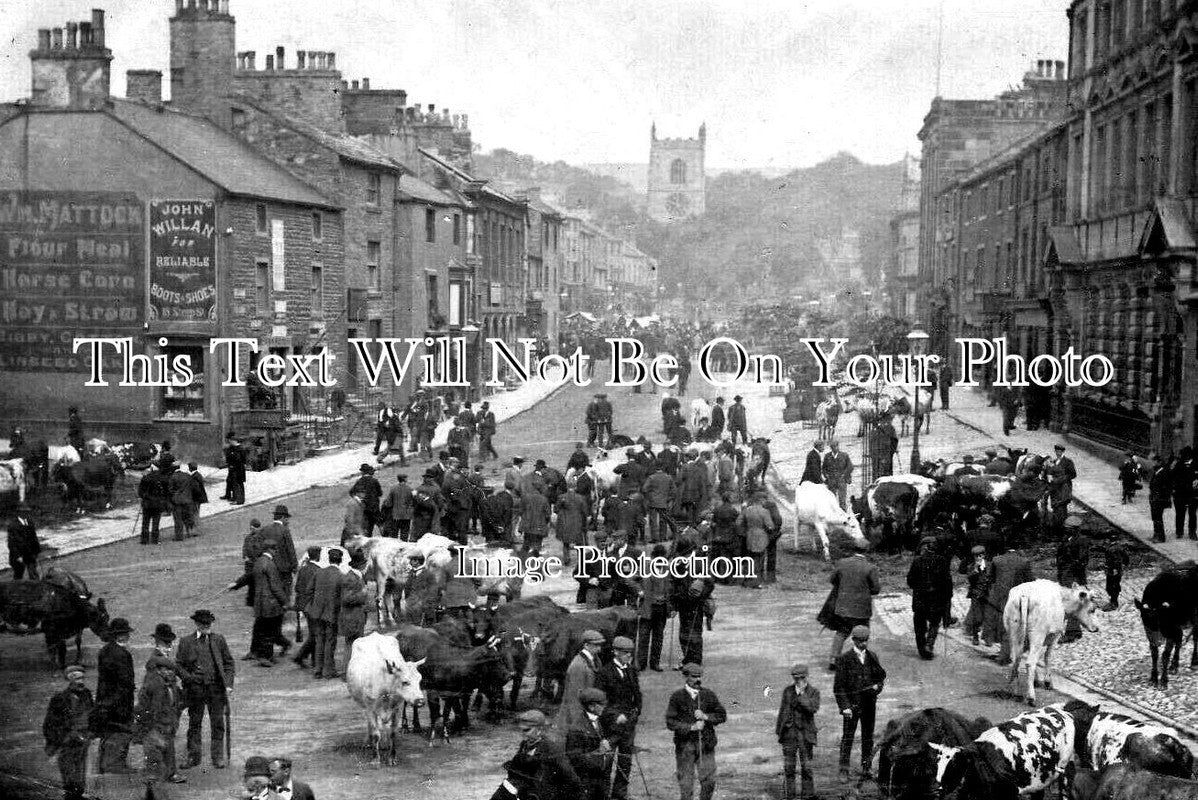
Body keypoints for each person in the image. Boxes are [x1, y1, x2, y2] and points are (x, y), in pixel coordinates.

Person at [175, 609, 234, 768]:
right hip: (196, 690)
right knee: (195, 723)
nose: (207, 626)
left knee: (217, 723)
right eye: (204, 624)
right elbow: (178, 665)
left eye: (209, 623)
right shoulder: (186, 642)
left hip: (216, 689)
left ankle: (218, 757)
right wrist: (188, 678)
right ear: (197, 624)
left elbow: (229, 663)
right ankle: (193, 756)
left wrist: (228, 684)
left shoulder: (219, 640)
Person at [665, 663, 727, 800]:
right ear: (686, 677)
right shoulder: (677, 697)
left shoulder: (708, 695)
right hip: (685, 747)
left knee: (709, 781)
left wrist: (706, 717)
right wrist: (690, 727)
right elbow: (670, 722)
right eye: (694, 677)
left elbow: (722, 716)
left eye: (699, 676)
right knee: (686, 785)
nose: (698, 680)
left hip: (706, 745)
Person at [833, 625, 885, 783]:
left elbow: (880, 678)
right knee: (848, 738)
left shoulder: (872, 657)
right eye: (860, 641)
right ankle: (843, 770)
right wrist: (845, 707)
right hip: (852, 706)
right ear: (854, 640)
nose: (863, 644)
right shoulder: (844, 659)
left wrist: (877, 688)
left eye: (866, 640)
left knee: (868, 737)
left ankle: (866, 767)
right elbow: (839, 687)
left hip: (869, 705)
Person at [495, 709, 583, 800]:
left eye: (527, 730)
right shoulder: (525, 745)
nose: (522, 734)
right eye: (521, 730)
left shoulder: (551, 748)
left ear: (539, 729)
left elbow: (571, 779)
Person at [595, 637, 641, 800]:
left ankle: (620, 793)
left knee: (626, 761)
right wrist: (615, 716)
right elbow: (600, 702)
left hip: (628, 726)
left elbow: (637, 694)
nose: (629, 656)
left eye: (630, 653)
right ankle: (603, 795)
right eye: (625, 653)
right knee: (607, 761)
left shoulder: (631, 670)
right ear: (615, 652)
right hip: (611, 726)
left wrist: (636, 713)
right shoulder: (604, 673)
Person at [134, 653, 187, 792]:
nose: (170, 673)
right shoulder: (153, 685)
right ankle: (152, 776)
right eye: (167, 670)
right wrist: (147, 725)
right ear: (159, 670)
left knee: (169, 749)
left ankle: (171, 773)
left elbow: (176, 702)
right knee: (152, 751)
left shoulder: (172, 684)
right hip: (154, 724)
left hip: (168, 722)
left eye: (172, 670)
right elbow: (146, 707)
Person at [825, 543, 881, 670]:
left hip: (843, 607)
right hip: (862, 609)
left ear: (853, 550)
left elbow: (832, 580)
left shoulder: (842, 563)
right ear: (867, 551)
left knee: (841, 633)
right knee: (862, 634)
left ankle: (834, 659)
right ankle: (860, 660)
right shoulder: (870, 567)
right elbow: (876, 589)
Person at [44, 663, 94, 800]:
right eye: (77, 679)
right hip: (67, 743)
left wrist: (90, 733)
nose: (81, 682)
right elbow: (49, 724)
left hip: (83, 741)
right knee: (69, 777)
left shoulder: (86, 695)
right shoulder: (59, 699)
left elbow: (92, 715)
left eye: (82, 678)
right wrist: (63, 738)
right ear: (70, 680)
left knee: (80, 774)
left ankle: (77, 794)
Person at [94, 618, 136, 774]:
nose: (126, 637)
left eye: (125, 633)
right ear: (116, 636)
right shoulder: (123, 654)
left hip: (105, 699)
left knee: (106, 732)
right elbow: (125, 682)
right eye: (123, 634)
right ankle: (117, 764)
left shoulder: (104, 651)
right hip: (120, 701)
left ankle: (102, 763)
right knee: (123, 731)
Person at [776, 663, 820, 800]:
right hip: (789, 734)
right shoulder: (787, 691)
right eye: (796, 678)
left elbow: (812, 708)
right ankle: (790, 796)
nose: (798, 681)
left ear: (806, 677)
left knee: (807, 768)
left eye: (801, 678)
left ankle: (807, 797)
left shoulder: (813, 692)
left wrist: (801, 694)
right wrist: (780, 732)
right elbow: (782, 712)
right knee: (789, 768)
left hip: (805, 735)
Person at [984, 544, 1035, 664]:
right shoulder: (1024, 561)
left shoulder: (997, 560)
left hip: (998, 597)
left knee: (1002, 623)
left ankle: (1003, 650)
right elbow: (1030, 581)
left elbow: (990, 578)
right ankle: (1005, 655)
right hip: (1015, 598)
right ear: (1018, 549)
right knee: (1012, 624)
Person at [906, 537, 953, 659]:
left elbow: (910, 580)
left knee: (919, 626)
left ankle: (922, 650)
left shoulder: (917, 561)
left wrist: (917, 586)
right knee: (934, 623)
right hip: (936, 599)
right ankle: (929, 644)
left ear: (925, 548)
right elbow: (947, 582)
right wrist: (948, 596)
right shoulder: (942, 561)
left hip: (920, 599)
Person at [564, 688, 614, 800]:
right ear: (591, 706)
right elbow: (575, 759)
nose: (605, 706)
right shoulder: (576, 729)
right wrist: (599, 752)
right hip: (585, 783)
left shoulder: (598, 720)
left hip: (599, 779)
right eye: (602, 704)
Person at [671, 539, 715, 666]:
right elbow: (675, 584)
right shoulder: (679, 564)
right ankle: (687, 659)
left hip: (696, 604)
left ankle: (695, 661)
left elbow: (710, 584)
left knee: (694, 633)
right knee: (683, 633)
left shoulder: (700, 563)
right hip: (683, 603)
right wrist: (674, 604)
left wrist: (700, 597)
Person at [252, 543, 291, 667]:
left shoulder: (258, 562)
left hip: (259, 602)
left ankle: (264, 654)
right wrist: (285, 602)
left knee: (263, 629)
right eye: (275, 549)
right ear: (271, 549)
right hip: (271, 602)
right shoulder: (270, 564)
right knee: (269, 630)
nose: (276, 552)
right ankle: (266, 656)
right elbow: (275, 586)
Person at [559, 629, 604, 731]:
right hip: (580, 717)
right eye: (596, 645)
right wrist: (579, 722)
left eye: (600, 645)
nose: (599, 649)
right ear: (586, 645)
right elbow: (575, 697)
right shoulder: (578, 665)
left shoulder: (595, 660)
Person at [308, 548, 342, 679]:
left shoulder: (319, 572)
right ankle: (328, 670)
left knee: (319, 641)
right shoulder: (340, 575)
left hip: (317, 613)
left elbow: (309, 590)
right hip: (331, 613)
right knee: (330, 642)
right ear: (339, 561)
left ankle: (318, 669)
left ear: (329, 559)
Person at [636, 544, 671, 672]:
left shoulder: (667, 568)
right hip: (648, 607)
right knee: (644, 636)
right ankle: (641, 663)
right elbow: (631, 579)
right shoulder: (645, 566)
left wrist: (671, 607)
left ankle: (655, 663)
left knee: (658, 637)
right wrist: (639, 590)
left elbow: (670, 587)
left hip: (662, 607)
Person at [338, 552, 369, 673]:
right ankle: (348, 672)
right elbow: (346, 598)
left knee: (354, 645)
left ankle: (352, 671)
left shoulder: (357, 576)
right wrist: (363, 595)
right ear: (361, 565)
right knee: (352, 645)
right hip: (352, 617)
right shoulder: (351, 578)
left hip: (356, 616)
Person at [738, 492, 773, 589]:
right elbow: (770, 526)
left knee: (749, 558)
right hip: (761, 537)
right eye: (765, 500)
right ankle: (757, 582)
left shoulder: (747, 510)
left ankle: (746, 580)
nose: (765, 502)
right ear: (761, 500)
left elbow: (738, 522)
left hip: (749, 536)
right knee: (759, 559)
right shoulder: (765, 511)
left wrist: (745, 531)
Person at [963, 545, 994, 646]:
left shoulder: (990, 565)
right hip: (976, 594)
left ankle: (988, 638)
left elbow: (993, 579)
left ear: (984, 555)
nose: (978, 558)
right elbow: (970, 580)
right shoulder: (971, 567)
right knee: (977, 617)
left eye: (980, 556)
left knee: (989, 617)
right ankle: (975, 636)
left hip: (988, 594)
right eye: (976, 556)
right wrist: (975, 571)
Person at [1043, 444, 1076, 532]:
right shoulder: (1053, 461)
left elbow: (1073, 474)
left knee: (1062, 505)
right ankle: (1056, 526)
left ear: (1063, 452)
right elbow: (1049, 473)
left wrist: (1060, 479)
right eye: (1056, 451)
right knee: (1055, 505)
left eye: (1060, 452)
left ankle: (1062, 526)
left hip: (1064, 488)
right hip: (1055, 489)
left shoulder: (1068, 462)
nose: (1058, 453)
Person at [139, 462, 171, 545]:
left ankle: (144, 540)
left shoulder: (145, 477)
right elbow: (166, 491)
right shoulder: (163, 478)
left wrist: (144, 496)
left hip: (147, 503)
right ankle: (155, 540)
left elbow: (140, 492)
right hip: (158, 503)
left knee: (145, 522)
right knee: (156, 522)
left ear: (152, 468)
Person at [642, 464, 676, 543]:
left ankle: (655, 538)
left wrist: (650, 496)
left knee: (653, 521)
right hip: (664, 501)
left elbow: (644, 489)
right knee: (663, 520)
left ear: (655, 468)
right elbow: (674, 490)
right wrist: (669, 498)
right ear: (663, 468)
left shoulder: (651, 477)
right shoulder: (669, 477)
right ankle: (663, 537)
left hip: (653, 502)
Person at [7, 503, 41, 578]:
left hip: (30, 554)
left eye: (27, 511)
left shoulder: (30, 522)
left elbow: (34, 538)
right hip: (19, 556)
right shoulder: (12, 525)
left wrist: (37, 551)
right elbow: (11, 544)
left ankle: (35, 588)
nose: (26, 513)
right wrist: (18, 556)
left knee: (34, 575)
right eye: (24, 511)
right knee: (18, 576)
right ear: (19, 513)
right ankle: (15, 589)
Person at [168, 460, 196, 540]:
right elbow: (192, 486)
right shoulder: (186, 475)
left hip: (177, 501)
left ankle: (179, 536)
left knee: (178, 519)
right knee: (187, 517)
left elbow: (170, 490)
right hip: (187, 499)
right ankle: (189, 533)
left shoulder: (172, 477)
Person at [1172, 446, 1196, 540]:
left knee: (1192, 514)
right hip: (1180, 493)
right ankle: (1179, 532)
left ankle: (1192, 532)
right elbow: (1173, 476)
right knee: (1180, 513)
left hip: (1192, 493)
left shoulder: (1196, 464)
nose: (1185, 457)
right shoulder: (1179, 464)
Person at [352, 464, 383, 537]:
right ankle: (386, 538)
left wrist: (359, 499)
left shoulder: (359, 481)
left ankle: (368, 542)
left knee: (367, 528)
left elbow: (352, 492)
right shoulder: (374, 481)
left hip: (364, 507)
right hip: (374, 507)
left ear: (362, 472)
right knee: (380, 524)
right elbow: (380, 493)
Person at [823, 440, 853, 510]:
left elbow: (850, 467)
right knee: (831, 500)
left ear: (838, 446)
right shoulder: (827, 456)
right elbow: (824, 468)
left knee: (842, 500)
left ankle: (843, 516)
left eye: (836, 446)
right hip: (831, 480)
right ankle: (833, 515)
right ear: (831, 448)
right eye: (832, 447)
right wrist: (826, 475)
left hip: (841, 480)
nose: (834, 448)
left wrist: (844, 475)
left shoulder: (844, 455)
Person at [380, 474, 414, 539]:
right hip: (406, 516)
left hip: (395, 516)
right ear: (405, 479)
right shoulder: (410, 489)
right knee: (405, 534)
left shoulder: (393, 489)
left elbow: (388, 503)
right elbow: (414, 501)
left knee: (394, 535)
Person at [223, 433, 247, 505]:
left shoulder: (240, 449)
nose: (230, 442)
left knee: (238, 485)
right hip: (234, 469)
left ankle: (239, 500)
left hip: (238, 470)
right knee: (235, 484)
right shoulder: (234, 448)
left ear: (235, 441)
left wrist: (233, 465)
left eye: (231, 441)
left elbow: (240, 460)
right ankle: (236, 498)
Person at [187, 462, 208, 533]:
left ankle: (195, 530)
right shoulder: (198, 475)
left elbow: (196, 489)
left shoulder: (194, 477)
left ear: (190, 468)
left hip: (196, 498)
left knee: (194, 514)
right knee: (196, 513)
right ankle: (196, 530)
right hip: (199, 498)